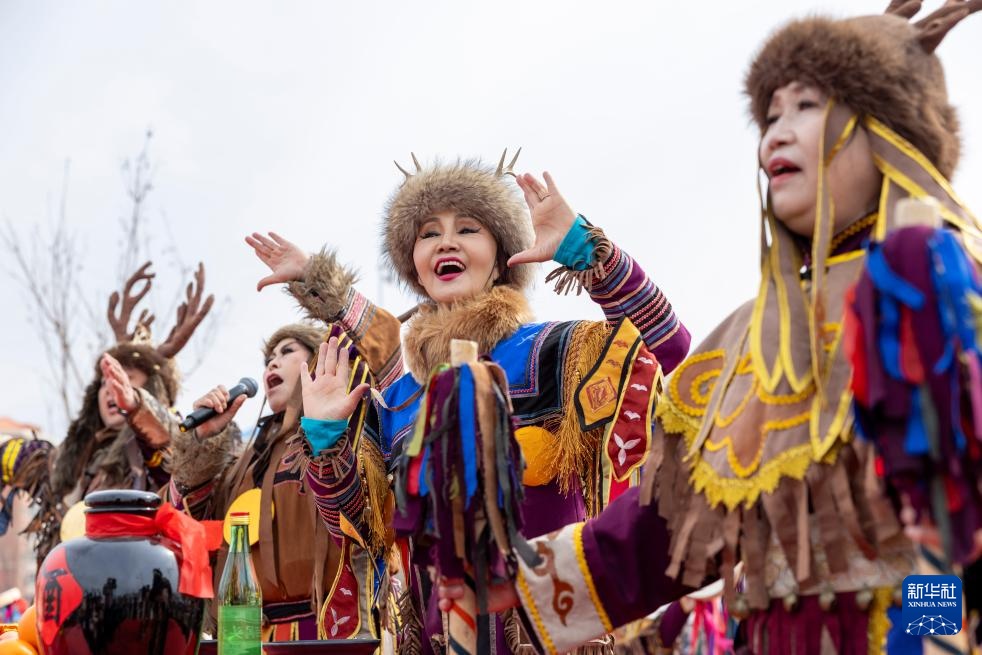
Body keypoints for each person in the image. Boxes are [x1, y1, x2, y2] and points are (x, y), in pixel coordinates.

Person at [439, 2, 982, 653]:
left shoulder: (938, 279)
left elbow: (954, 532)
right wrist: (523, 577)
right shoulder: (750, 334)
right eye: (770, 115)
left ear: (888, 127)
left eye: (806, 106)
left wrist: (929, 635)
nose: (773, 136)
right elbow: (669, 529)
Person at [308, 151, 690, 653]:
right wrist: (326, 438)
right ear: (415, 269)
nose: (446, 241)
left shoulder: (553, 351)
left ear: (501, 257)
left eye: (467, 228)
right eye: (428, 233)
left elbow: (668, 350)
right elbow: (361, 531)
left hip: (546, 638)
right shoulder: (399, 400)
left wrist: (589, 253)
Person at [166, 241, 402, 642]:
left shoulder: (347, 429)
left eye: (286, 351)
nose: (271, 362)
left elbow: (385, 342)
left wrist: (318, 282)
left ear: (321, 359)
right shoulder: (244, 459)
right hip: (251, 639)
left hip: (335, 634)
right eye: (266, 359)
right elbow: (187, 529)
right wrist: (202, 446)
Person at [15, 262, 212, 565]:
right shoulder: (79, 454)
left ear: (152, 393)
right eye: (107, 381)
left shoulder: (166, 443)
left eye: (127, 380)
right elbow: (42, 470)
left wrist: (137, 408)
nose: (112, 390)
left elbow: (170, 447)